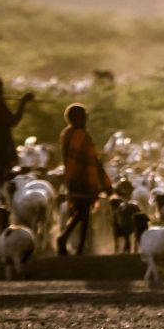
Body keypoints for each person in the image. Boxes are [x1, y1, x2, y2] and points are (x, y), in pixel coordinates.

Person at [56, 103, 113, 256]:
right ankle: (73, 245)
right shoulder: (81, 136)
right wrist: (106, 185)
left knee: (82, 213)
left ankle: (74, 244)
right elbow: (92, 161)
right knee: (84, 214)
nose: (86, 119)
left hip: (72, 179)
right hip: (83, 180)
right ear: (77, 118)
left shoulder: (66, 134)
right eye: (84, 117)